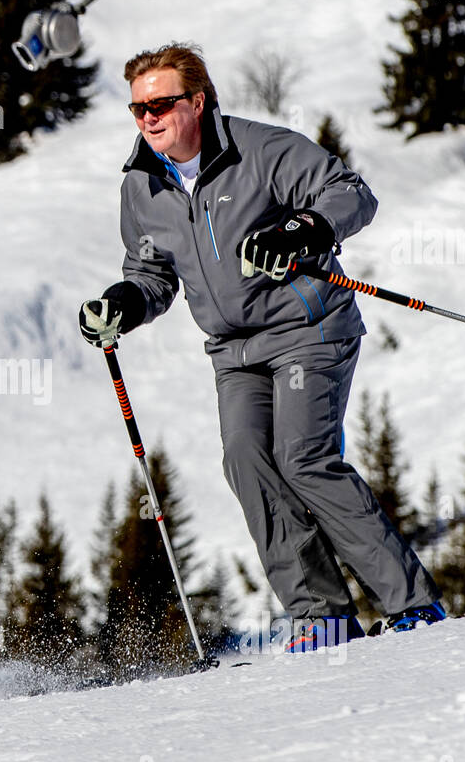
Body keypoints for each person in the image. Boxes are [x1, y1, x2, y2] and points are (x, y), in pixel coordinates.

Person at [79, 44, 445, 652]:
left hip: (308, 328)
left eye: (162, 102)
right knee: (248, 462)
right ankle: (321, 617)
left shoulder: (261, 149)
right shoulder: (141, 185)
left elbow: (350, 193)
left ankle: (412, 604)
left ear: (198, 101)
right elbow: (151, 275)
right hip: (233, 351)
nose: (148, 116)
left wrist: (299, 230)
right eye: (138, 106)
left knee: (303, 458)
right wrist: (122, 304)